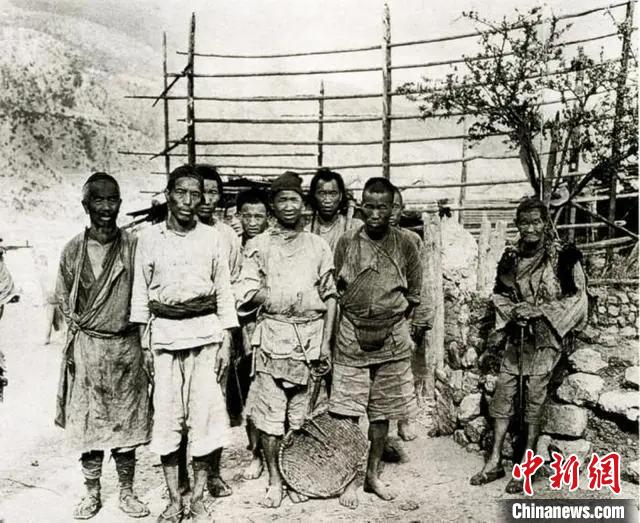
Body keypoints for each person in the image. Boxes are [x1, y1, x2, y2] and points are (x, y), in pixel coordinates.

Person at [131, 164, 238, 522]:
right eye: (181, 192)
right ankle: (175, 499)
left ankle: (199, 499)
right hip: (164, 339)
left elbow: (223, 291)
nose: (189, 201)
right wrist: (145, 346)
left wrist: (226, 341)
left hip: (206, 337)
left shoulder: (212, 237)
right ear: (168, 195)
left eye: (196, 194)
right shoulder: (149, 238)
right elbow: (140, 294)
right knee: (167, 419)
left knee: (203, 417)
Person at [470, 197, 588, 494]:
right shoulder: (511, 257)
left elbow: (578, 298)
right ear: (517, 225)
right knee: (503, 392)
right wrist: (514, 312)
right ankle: (494, 461)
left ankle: (527, 464)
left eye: (536, 222)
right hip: (518, 335)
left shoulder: (564, 257)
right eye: (525, 223)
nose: (531, 228)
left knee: (535, 395)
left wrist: (540, 311)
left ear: (545, 223)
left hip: (548, 336)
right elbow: (500, 294)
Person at [234, 171, 337, 508]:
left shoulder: (318, 246)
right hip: (272, 340)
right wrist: (283, 296)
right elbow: (245, 291)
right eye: (282, 200)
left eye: (294, 199)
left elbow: (330, 297)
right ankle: (275, 481)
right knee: (269, 418)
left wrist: (325, 344)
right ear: (273, 206)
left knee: (302, 417)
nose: (289, 206)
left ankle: (295, 477)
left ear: (303, 204)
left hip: (310, 341)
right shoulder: (258, 246)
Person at [54, 173, 152, 520]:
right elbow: (63, 299)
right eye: (99, 200)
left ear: (120, 204)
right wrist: (79, 339)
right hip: (89, 349)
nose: (106, 207)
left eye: (112, 200)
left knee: (127, 421)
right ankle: (92, 493)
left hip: (127, 347)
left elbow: (147, 292)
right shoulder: (73, 250)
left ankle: (127, 491)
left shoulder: (134, 246)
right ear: (86, 205)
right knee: (88, 423)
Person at [328, 177, 423, 509]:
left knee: (381, 413)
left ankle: (372, 475)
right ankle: (349, 480)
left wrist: (393, 322)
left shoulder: (407, 243)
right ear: (361, 206)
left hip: (391, 336)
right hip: (351, 335)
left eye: (383, 207)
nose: (376, 214)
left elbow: (414, 294)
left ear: (393, 208)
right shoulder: (346, 242)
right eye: (369, 206)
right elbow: (338, 290)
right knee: (348, 412)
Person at [230, 188, 270, 480]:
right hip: (240, 327)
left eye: (259, 216)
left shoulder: (271, 244)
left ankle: (279, 452)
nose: (253, 222)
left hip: (269, 325)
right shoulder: (232, 245)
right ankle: (255, 452)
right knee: (248, 390)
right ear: (238, 216)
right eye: (248, 216)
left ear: (268, 218)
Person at [389, 187, 434, 442]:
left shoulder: (412, 240)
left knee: (404, 371)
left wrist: (421, 317)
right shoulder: (366, 239)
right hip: (377, 317)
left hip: (404, 316)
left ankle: (404, 420)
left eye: (395, 207)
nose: (390, 212)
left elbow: (422, 282)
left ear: (401, 210)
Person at [305, 168, 363, 252]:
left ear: (340, 196)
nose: (327, 200)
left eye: (333, 194)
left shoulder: (355, 226)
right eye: (322, 194)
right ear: (314, 196)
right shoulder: (307, 231)